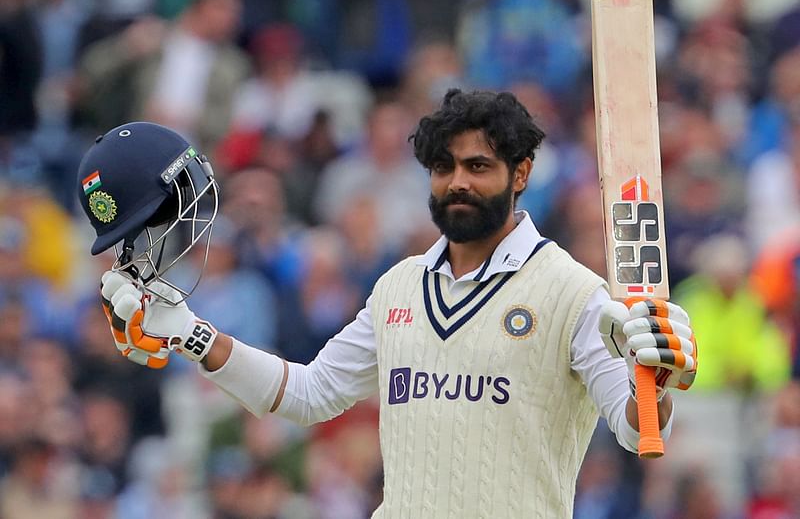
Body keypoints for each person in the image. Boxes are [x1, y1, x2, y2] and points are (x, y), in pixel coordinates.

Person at [76, 91, 698, 518]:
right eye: (443, 166)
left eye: (479, 166)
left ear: (522, 172)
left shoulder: (574, 292)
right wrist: (193, 335)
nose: (458, 182)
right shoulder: (399, 286)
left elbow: (637, 426)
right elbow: (310, 394)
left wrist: (659, 380)